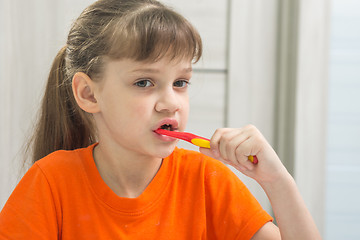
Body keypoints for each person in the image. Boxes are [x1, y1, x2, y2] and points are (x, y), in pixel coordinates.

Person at [0, 0, 321, 239]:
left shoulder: (207, 181)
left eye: (180, 83)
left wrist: (277, 181)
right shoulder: (51, 183)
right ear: (89, 94)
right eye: (144, 82)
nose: (171, 103)